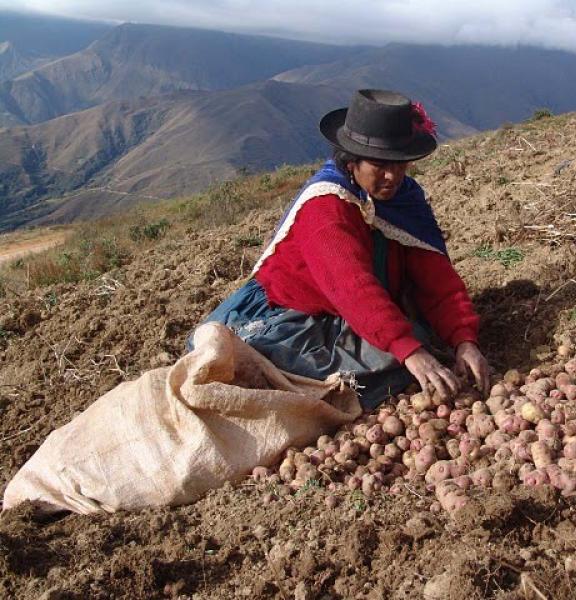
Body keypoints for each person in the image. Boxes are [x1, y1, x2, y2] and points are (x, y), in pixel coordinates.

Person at [189, 89, 489, 408]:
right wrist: (410, 352)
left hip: (360, 308)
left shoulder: (405, 196)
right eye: (379, 165)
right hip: (296, 315)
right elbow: (353, 288)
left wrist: (464, 340)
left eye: (401, 165)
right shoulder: (326, 207)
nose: (393, 176)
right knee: (381, 362)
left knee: (416, 339)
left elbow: (435, 274)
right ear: (352, 161)